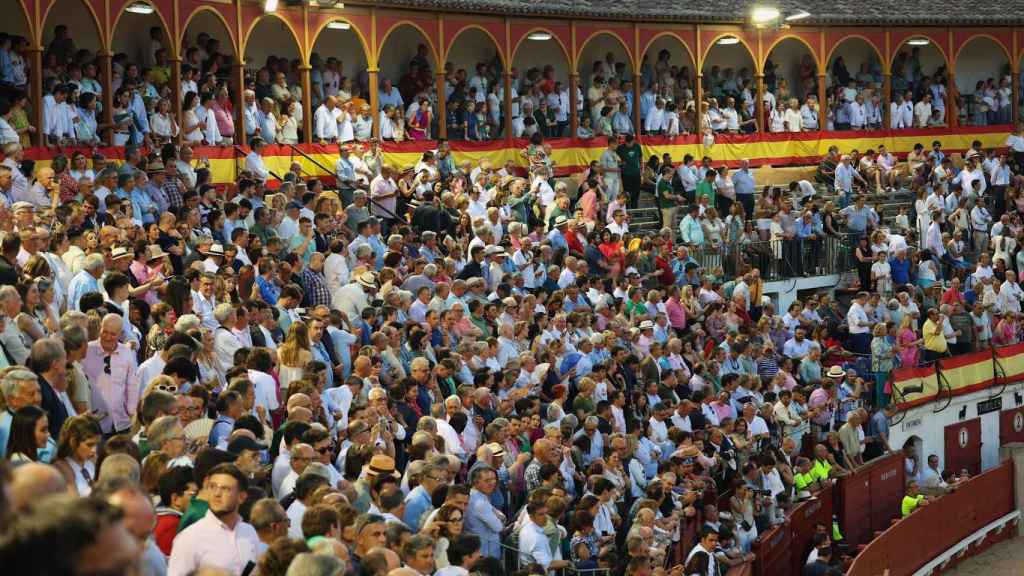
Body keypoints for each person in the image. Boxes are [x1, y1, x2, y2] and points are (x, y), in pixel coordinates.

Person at [167, 463, 260, 575]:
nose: (217, 493)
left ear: (241, 497)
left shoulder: (249, 532)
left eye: (225, 489)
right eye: (212, 486)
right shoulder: (189, 538)